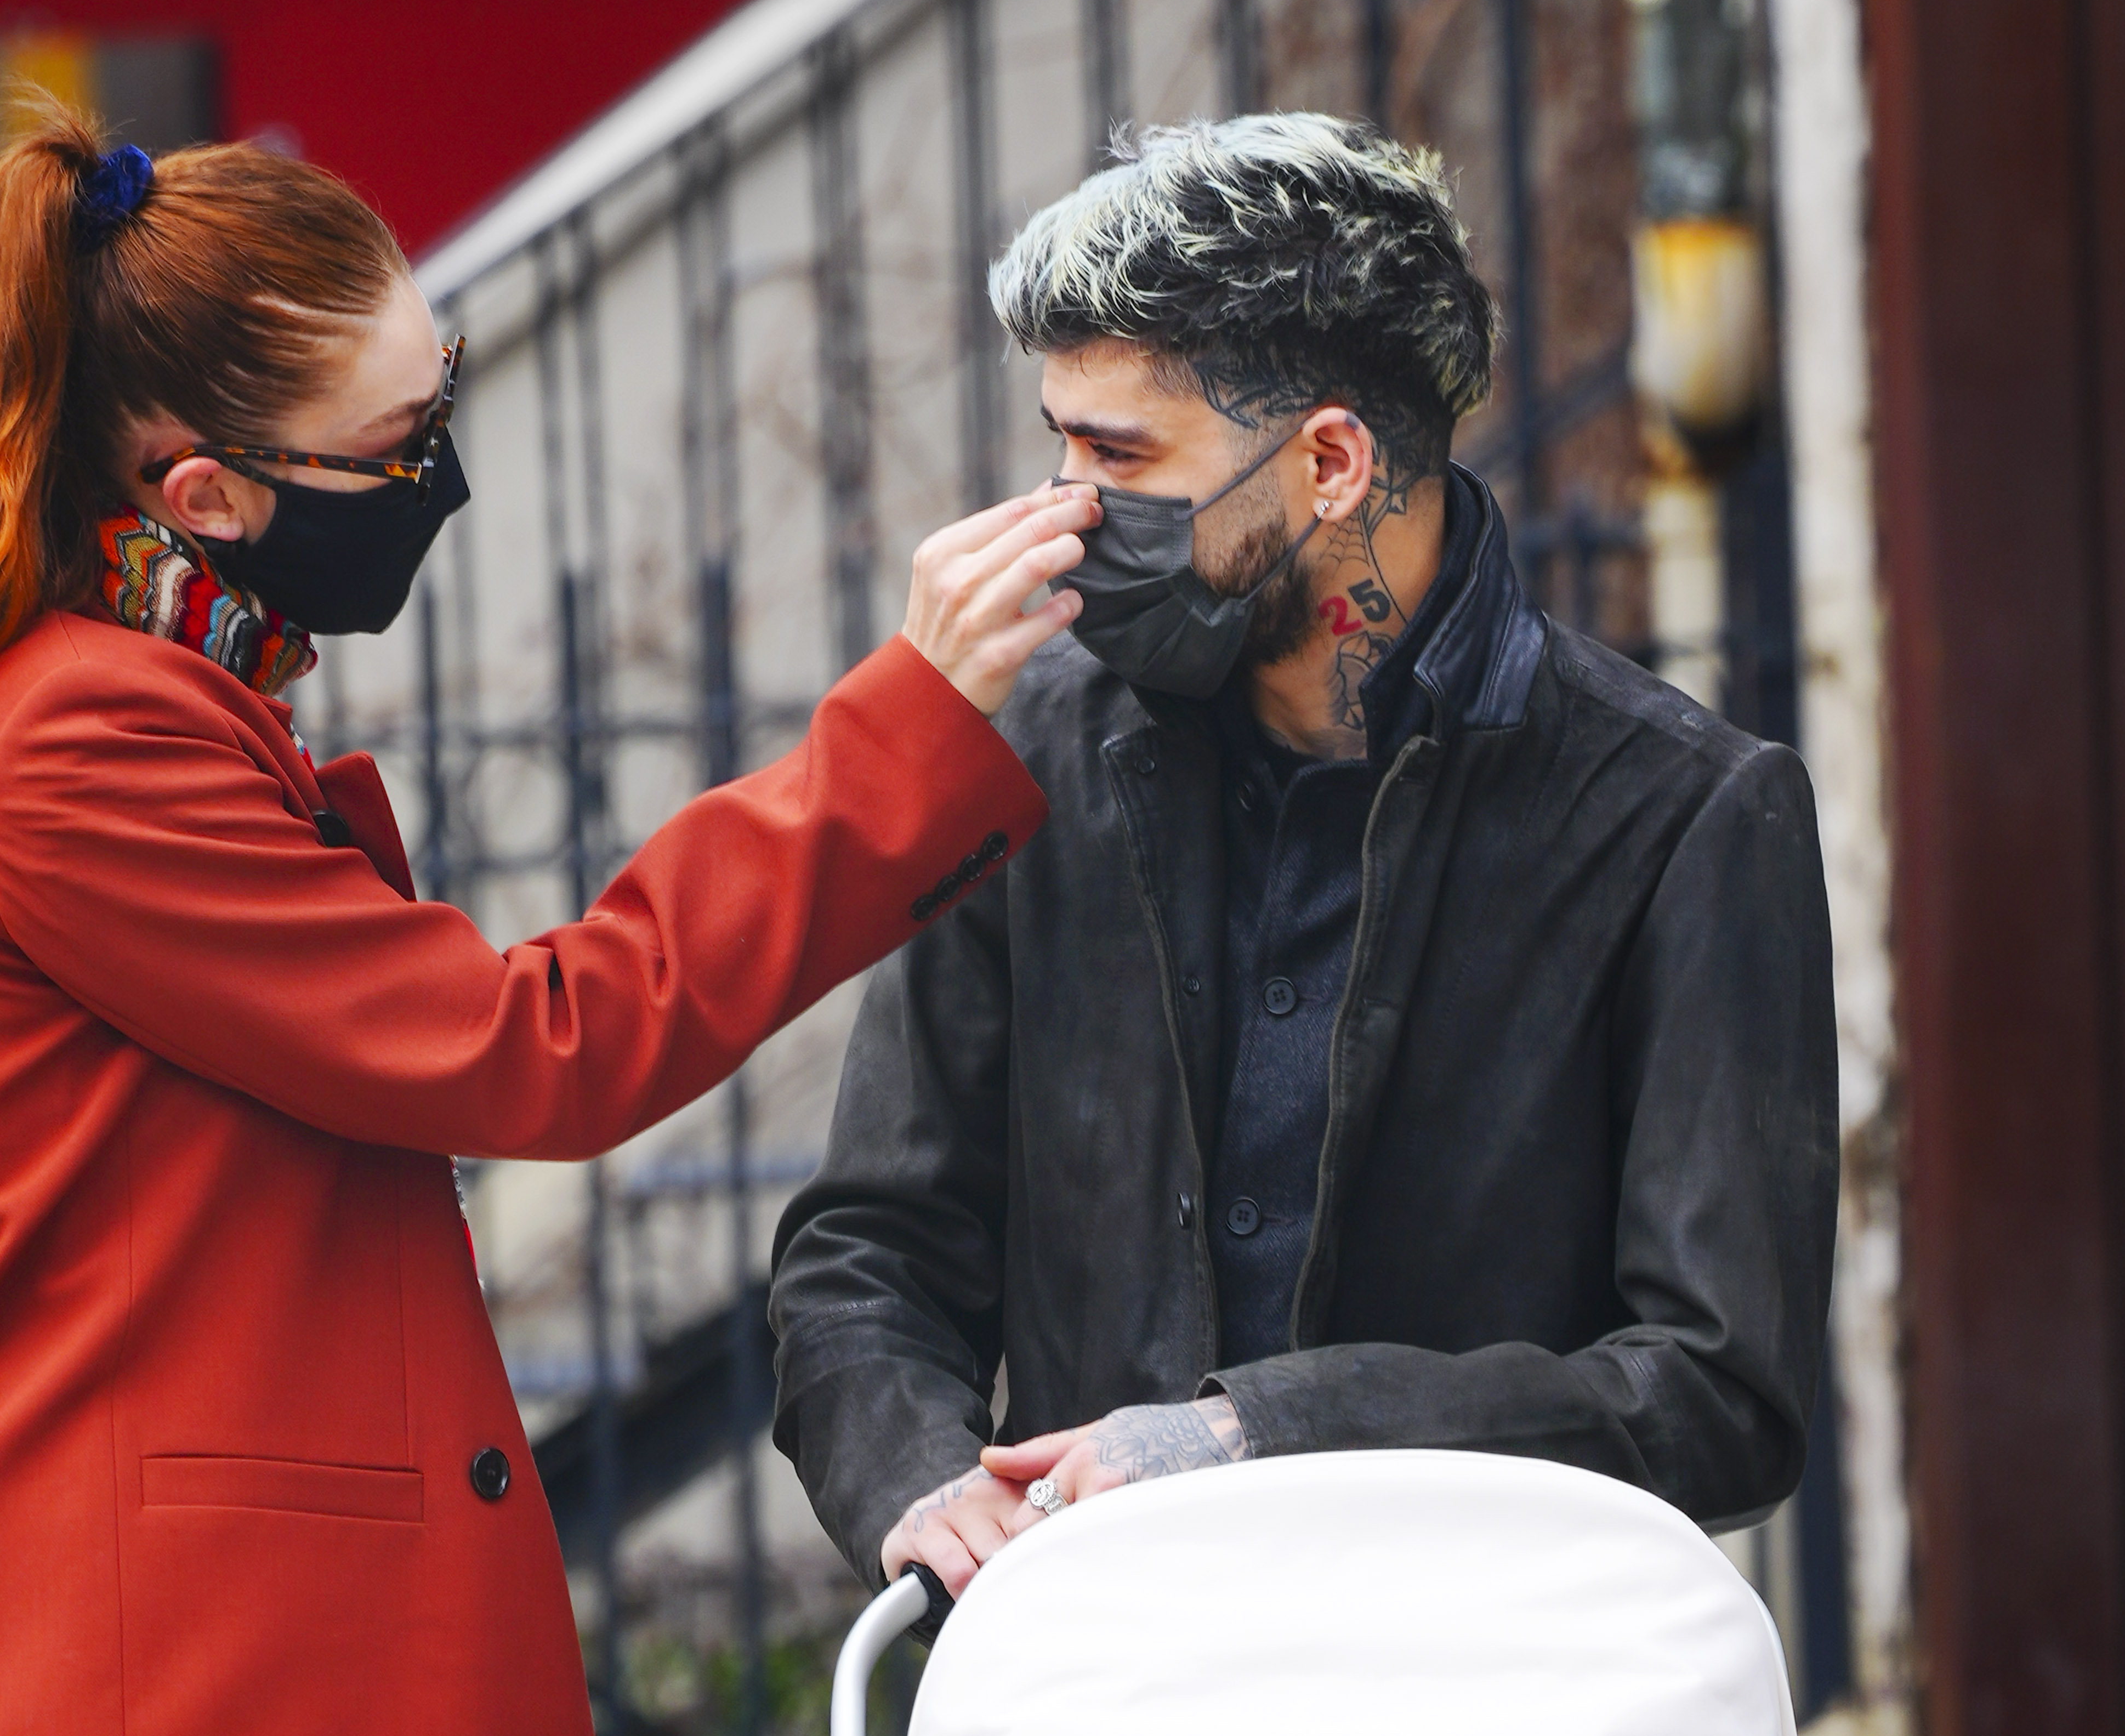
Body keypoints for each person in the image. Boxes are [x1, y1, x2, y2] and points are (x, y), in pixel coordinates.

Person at [0, 107, 1089, 1736]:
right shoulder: (82, 744)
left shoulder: (143, 704)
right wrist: (900, 733)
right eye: (402, 439)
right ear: (203, 494)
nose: (438, 475)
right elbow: (536, 1044)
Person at [770, 113, 1839, 1599]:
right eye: (1056, 445)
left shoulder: (1685, 817)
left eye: (1118, 454)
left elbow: (1721, 1392)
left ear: (1331, 462)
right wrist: (919, 1479)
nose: (1060, 513)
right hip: (1099, 1686)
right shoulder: (1022, 757)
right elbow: (871, 1249)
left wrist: (1267, 1434)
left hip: (1499, 1732)